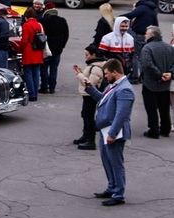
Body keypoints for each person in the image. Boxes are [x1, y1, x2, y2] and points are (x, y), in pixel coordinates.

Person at [83, 58, 134, 206]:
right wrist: (90, 88)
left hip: (114, 132)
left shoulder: (125, 89)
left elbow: (121, 115)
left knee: (116, 163)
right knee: (107, 161)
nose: (105, 76)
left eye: (106, 74)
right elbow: (102, 99)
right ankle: (111, 187)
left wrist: (112, 133)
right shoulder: (113, 86)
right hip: (105, 130)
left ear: (115, 72)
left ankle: (119, 194)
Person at [138, 25, 174, 139]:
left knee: (151, 108)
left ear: (152, 35)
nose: (145, 35)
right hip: (165, 84)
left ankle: (153, 130)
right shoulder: (169, 47)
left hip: (150, 83)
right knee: (164, 108)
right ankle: (165, 129)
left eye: (147, 33)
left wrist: (159, 74)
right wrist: (169, 73)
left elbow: (147, 64)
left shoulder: (147, 48)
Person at [73, 45, 106, 150]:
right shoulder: (93, 66)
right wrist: (82, 72)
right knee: (85, 114)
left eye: (87, 55)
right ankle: (86, 136)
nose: (85, 57)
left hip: (90, 95)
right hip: (87, 95)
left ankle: (90, 140)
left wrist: (79, 74)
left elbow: (90, 83)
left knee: (88, 117)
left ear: (94, 55)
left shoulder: (96, 68)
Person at [122, 0, 159, 85]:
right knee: (144, 56)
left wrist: (118, 17)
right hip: (149, 35)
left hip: (139, 35)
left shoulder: (142, 7)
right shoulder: (153, 9)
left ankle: (135, 76)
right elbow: (156, 24)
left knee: (136, 55)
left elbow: (131, 15)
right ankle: (143, 76)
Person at [40, 3, 70, 94]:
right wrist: (62, 45)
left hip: (46, 48)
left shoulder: (43, 21)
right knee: (54, 68)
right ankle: (52, 87)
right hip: (58, 49)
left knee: (44, 68)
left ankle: (44, 87)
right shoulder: (62, 20)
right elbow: (66, 35)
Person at [20, 8, 44, 101]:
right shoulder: (39, 25)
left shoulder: (26, 25)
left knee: (28, 73)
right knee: (36, 73)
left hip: (28, 51)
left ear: (26, 17)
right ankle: (36, 94)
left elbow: (24, 40)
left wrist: (21, 49)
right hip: (38, 51)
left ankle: (31, 94)